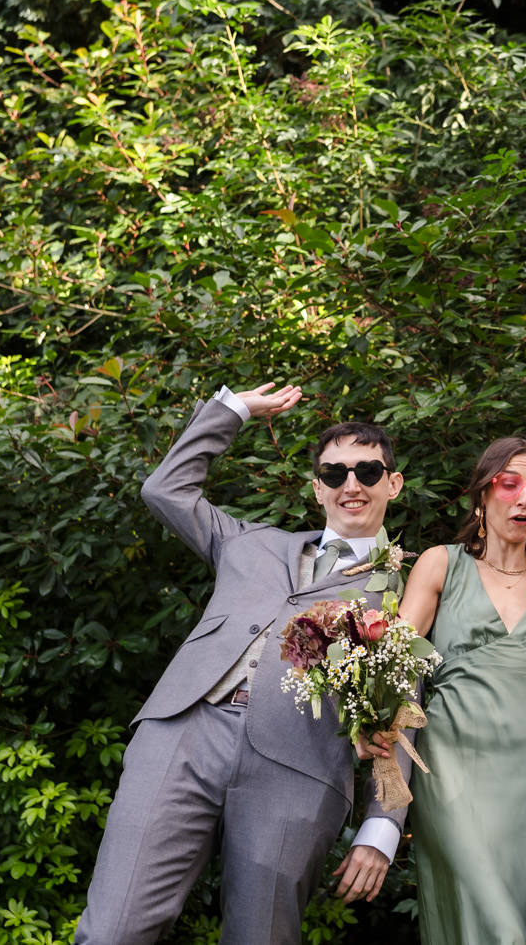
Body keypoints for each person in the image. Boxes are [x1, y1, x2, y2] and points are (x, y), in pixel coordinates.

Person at [76, 383, 409, 944]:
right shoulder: (251, 543)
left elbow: (402, 708)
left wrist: (382, 824)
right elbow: (166, 490)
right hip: (183, 735)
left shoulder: (411, 585)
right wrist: (232, 410)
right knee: (112, 930)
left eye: (368, 472)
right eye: (334, 474)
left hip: (298, 766)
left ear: (392, 484)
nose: (351, 484)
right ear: (317, 488)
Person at [385, 437, 526, 944]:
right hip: (453, 771)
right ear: (481, 495)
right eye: (510, 483)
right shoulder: (441, 564)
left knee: (522, 920)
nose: (524, 497)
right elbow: (390, 667)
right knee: (493, 925)